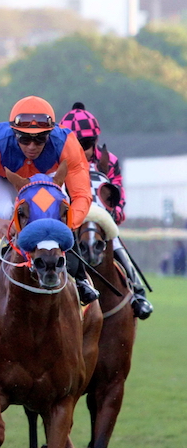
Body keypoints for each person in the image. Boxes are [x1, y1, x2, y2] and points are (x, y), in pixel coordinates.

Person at [0, 95, 96, 304]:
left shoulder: (67, 143)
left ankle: (81, 278)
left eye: (40, 139)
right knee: (2, 211)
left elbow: (82, 196)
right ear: (14, 132)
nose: (32, 146)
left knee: (60, 210)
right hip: (5, 179)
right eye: (24, 138)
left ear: (50, 133)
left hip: (46, 179)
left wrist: (66, 224)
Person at [59, 102, 153, 319]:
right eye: (74, 145)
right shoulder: (57, 163)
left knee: (117, 244)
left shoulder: (109, 161)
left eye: (85, 144)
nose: (80, 150)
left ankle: (137, 292)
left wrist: (116, 213)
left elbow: (118, 193)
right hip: (70, 222)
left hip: (101, 222)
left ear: (95, 142)